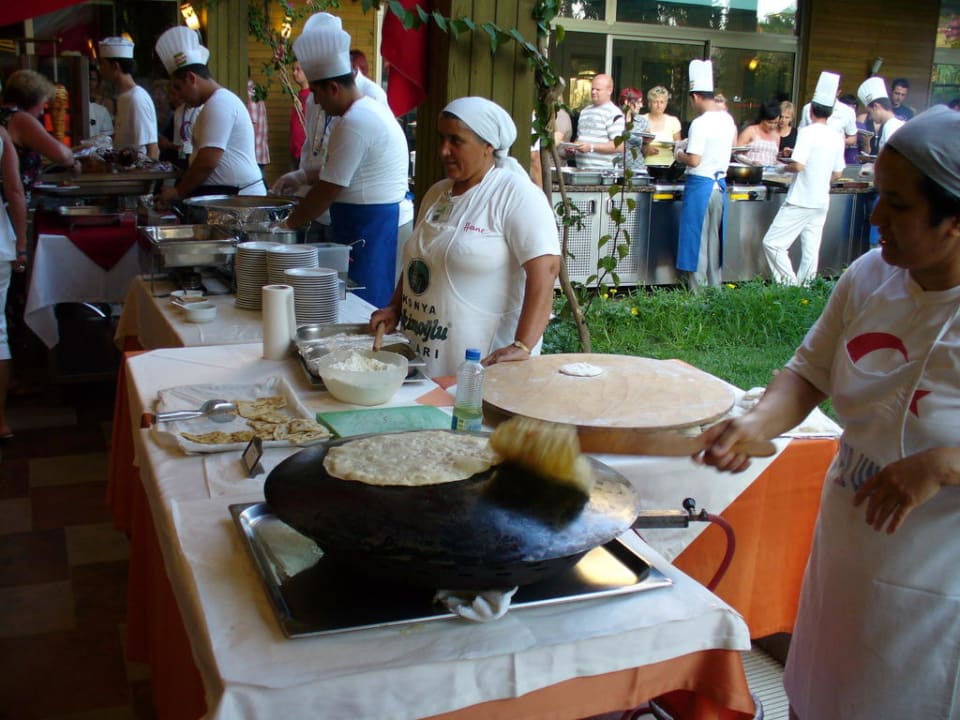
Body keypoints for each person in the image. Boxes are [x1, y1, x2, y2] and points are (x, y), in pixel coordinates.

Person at [697, 105, 960, 720]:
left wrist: (943, 465)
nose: (875, 219)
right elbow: (807, 373)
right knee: (820, 697)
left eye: (897, 205)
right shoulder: (871, 278)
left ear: (954, 219)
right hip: (849, 547)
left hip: (940, 581)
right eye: (876, 196)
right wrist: (755, 424)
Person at [368, 97, 561, 378]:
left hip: (482, 365)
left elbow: (546, 270)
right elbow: (421, 260)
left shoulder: (516, 195)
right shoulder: (437, 193)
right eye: (442, 139)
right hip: (424, 353)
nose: (444, 151)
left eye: (456, 141)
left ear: (488, 146)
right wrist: (395, 307)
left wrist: (523, 344)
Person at [278, 16, 408, 307]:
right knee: (356, 300)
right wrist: (299, 177)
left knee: (363, 303)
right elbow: (330, 173)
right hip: (362, 219)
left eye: (317, 95)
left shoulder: (355, 121)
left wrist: (287, 226)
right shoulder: (362, 112)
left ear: (333, 88)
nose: (318, 104)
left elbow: (327, 189)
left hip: (368, 224)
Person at [154, 26, 266, 200]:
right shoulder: (212, 104)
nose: (179, 95)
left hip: (240, 198)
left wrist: (178, 192)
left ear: (192, 78)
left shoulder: (219, 103)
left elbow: (207, 161)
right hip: (225, 196)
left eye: (178, 87)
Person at [761, 72, 846, 285]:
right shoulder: (836, 136)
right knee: (811, 249)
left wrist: (782, 169)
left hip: (801, 199)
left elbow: (798, 164)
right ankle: (805, 288)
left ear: (811, 109)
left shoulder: (807, 133)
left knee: (772, 243)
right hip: (821, 200)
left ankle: (790, 286)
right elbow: (837, 174)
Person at [675, 59, 737, 290]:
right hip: (720, 186)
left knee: (697, 241)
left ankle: (698, 294)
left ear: (695, 97)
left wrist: (679, 152)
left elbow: (694, 159)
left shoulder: (699, 124)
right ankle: (715, 289)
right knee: (714, 240)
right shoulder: (727, 120)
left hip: (700, 185)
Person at [0, 70, 77, 193]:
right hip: (8, 204)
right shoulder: (20, 119)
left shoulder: (3, 116)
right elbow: (61, 155)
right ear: (32, 100)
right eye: (43, 104)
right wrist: (73, 161)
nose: (42, 112)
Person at [0, 125, 28, 440]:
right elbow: (14, 191)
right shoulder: (2, 135)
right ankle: (1, 420)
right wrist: (21, 243)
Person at [98, 37, 159, 159]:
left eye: (102, 64)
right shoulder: (123, 97)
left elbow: (153, 151)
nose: (100, 69)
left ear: (115, 66)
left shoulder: (137, 99)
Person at [571, 73, 625, 171]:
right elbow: (580, 138)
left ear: (609, 91)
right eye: (592, 89)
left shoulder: (614, 113)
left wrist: (591, 147)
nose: (594, 92)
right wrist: (574, 147)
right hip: (581, 169)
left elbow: (619, 145)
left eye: (598, 89)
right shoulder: (584, 111)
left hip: (603, 173)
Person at [798, 76, 858, 155]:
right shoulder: (808, 108)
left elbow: (853, 138)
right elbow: (801, 132)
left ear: (838, 92)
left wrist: (839, 141)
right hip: (809, 155)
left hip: (835, 154)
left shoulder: (848, 111)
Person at [618, 87, 654, 177]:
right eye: (638, 102)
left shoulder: (642, 122)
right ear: (627, 102)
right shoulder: (614, 120)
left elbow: (645, 153)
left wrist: (646, 142)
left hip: (638, 169)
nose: (641, 105)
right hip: (617, 169)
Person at [641, 85, 681, 167]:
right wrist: (644, 149)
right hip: (644, 165)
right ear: (649, 103)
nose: (659, 105)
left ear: (666, 103)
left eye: (662, 102)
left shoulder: (673, 121)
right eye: (655, 102)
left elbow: (679, 148)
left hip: (668, 167)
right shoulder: (641, 120)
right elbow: (632, 147)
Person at [734, 99, 782, 167]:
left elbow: (774, 158)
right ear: (762, 119)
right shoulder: (750, 131)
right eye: (769, 122)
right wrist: (751, 162)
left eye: (776, 123)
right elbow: (737, 153)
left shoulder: (777, 136)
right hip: (751, 171)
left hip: (769, 173)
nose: (773, 126)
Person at [289, 60, 311, 169]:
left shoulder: (312, 96)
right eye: (293, 69)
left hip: (305, 151)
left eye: (298, 70)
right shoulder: (298, 95)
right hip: (295, 150)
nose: (294, 73)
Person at [246, 71, 270, 172]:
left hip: (252, 155)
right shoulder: (256, 91)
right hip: (258, 153)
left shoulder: (249, 93)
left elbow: (252, 126)